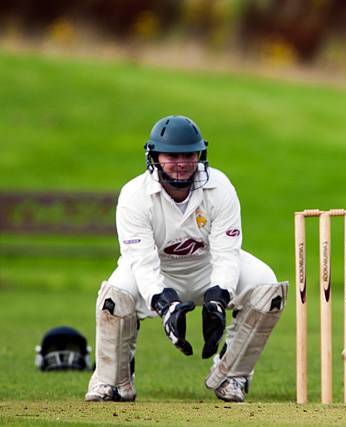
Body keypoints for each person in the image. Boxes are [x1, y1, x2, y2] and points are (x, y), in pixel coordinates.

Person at [85, 115, 288, 403]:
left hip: (208, 265)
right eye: (172, 156)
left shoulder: (220, 187)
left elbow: (227, 252)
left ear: (200, 156)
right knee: (114, 298)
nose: (181, 163)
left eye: (188, 155)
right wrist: (164, 304)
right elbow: (141, 262)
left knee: (268, 288)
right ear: (154, 157)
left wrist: (218, 297)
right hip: (158, 270)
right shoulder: (134, 196)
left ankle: (233, 375)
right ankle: (112, 381)